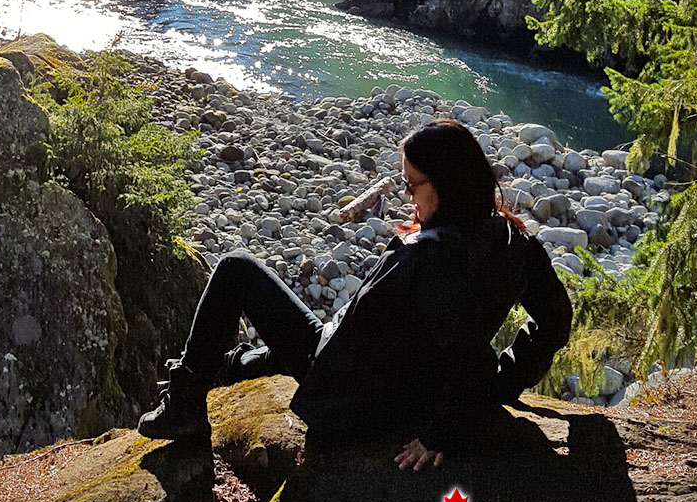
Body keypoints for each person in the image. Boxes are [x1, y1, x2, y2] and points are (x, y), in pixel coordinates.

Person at [137, 119, 573, 469]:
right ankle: (220, 369)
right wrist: (508, 379)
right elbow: (556, 317)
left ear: (443, 184)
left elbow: (358, 345)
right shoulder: (515, 242)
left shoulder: (425, 259)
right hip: (403, 385)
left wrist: (443, 432)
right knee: (265, 353)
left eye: (411, 185)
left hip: (354, 400)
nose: (407, 197)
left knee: (235, 269)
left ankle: (185, 405)